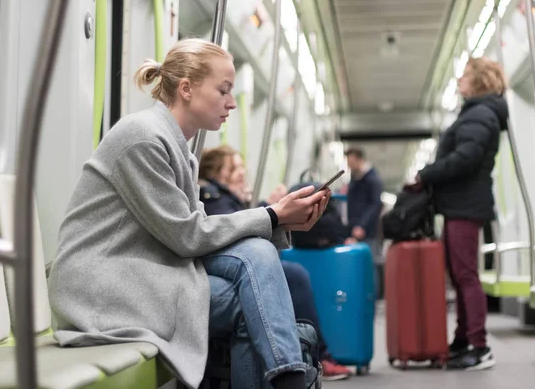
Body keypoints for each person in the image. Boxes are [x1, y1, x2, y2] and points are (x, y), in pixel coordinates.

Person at [47, 38, 331, 389]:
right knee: (249, 301)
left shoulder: (179, 150)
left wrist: (281, 220)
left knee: (258, 251)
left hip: (144, 272)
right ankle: (288, 378)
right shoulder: (143, 138)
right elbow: (188, 237)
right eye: (223, 90)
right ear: (186, 89)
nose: (232, 103)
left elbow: (196, 235)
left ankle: (287, 377)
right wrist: (271, 215)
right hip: (102, 290)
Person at [199, 145, 352, 381]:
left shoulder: (227, 197)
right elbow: (231, 234)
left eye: (241, 167)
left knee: (286, 276)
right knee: (292, 277)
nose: (241, 172)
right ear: (217, 172)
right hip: (224, 266)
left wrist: (269, 207)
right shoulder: (215, 197)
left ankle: (303, 360)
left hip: (234, 264)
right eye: (234, 167)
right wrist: (271, 210)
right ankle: (309, 358)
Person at [414, 56, 508, 371]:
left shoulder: (479, 114)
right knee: (460, 275)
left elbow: (466, 158)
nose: (459, 80)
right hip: (462, 204)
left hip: (465, 205)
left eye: (465, 75)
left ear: (480, 80)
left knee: (466, 275)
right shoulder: (477, 113)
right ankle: (463, 340)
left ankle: (479, 346)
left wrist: (428, 173)